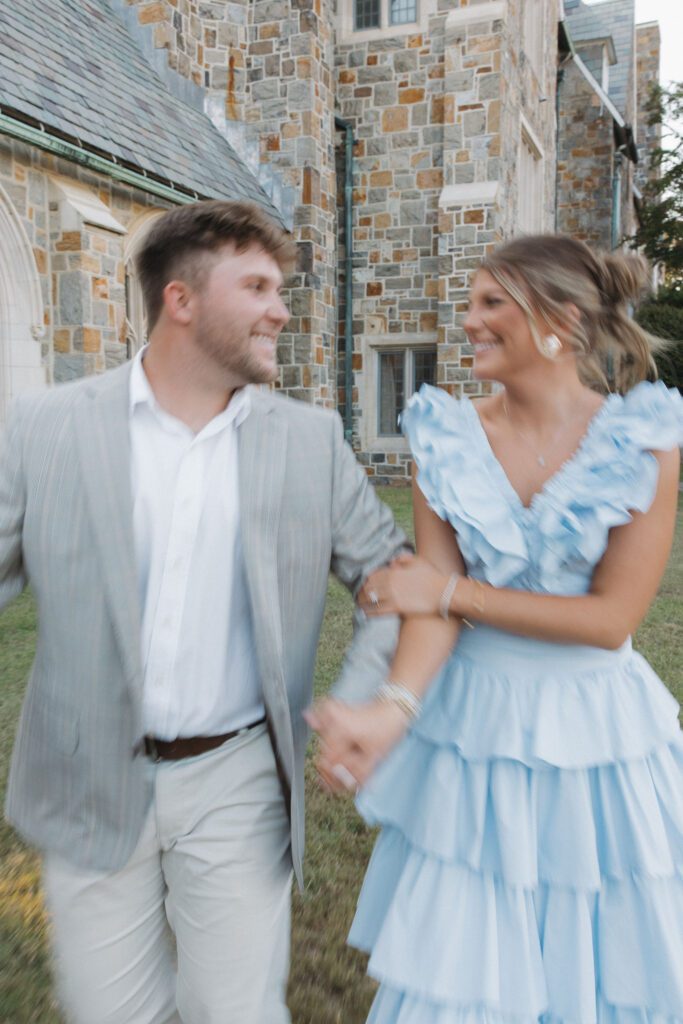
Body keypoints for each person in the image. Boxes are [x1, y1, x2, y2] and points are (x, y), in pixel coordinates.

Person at [0, 199, 407, 1024]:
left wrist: (361, 698)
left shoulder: (309, 440)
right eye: (256, 285)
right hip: (85, 775)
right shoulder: (41, 428)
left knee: (236, 1012)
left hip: (240, 775)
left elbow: (390, 581)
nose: (280, 309)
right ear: (180, 300)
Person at [309, 235, 683, 1024]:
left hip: (595, 738)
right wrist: (389, 711)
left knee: (596, 962)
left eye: (491, 303)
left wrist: (451, 591)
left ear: (562, 320)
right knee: (465, 978)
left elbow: (611, 620)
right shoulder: (444, 436)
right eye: (470, 302)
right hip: (471, 734)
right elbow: (428, 614)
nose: (469, 319)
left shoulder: (641, 439)